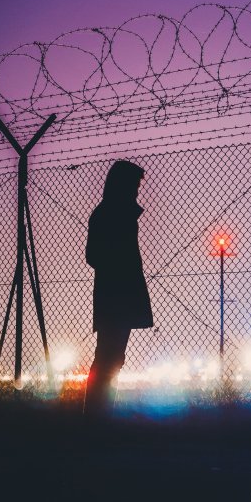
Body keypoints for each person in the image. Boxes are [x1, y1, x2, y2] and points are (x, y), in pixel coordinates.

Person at [83, 159, 153, 416]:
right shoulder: (111, 214)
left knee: (112, 357)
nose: (137, 191)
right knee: (108, 357)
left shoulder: (113, 213)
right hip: (117, 295)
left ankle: (98, 415)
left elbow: (96, 256)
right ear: (122, 185)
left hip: (116, 294)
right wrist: (119, 268)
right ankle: (96, 416)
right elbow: (94, 255)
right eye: (134, 185)